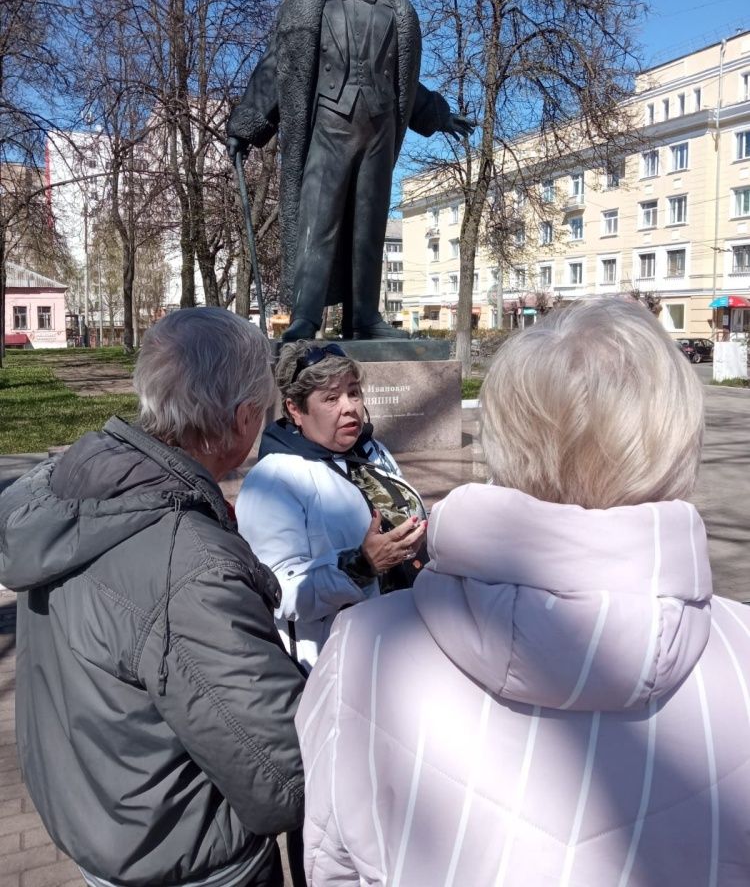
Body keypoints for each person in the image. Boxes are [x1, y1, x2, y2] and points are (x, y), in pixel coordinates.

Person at [296, 296, 750, 885]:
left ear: (503, 437)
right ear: (677, 437)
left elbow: (333, 865)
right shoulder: (742, 657)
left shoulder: (368, 650)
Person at [0, 308, 306, 887]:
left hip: (107, 825)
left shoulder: (69, 486)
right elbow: (284, 777)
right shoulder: (188, 562)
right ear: (243, 418)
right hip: (192, 860)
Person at [226, 0, 472, 341]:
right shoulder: (312, 5)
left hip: (378, 131)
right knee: (317, 222)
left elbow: (405, 83)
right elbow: (278, 65)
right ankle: (305, 316)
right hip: (330, 126)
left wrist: (440, 115)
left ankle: (364, 318)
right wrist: (246, 124)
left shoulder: (397, 13)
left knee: (369, 228)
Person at [236, 340, 427, 672]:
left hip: (400, 647)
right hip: (333, 667)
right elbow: (277, 590)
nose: (350, 407)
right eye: (331, 398)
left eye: (353, 392)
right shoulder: (273, 480)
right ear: (295, 409)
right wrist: (360, 565)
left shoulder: (372, 452)